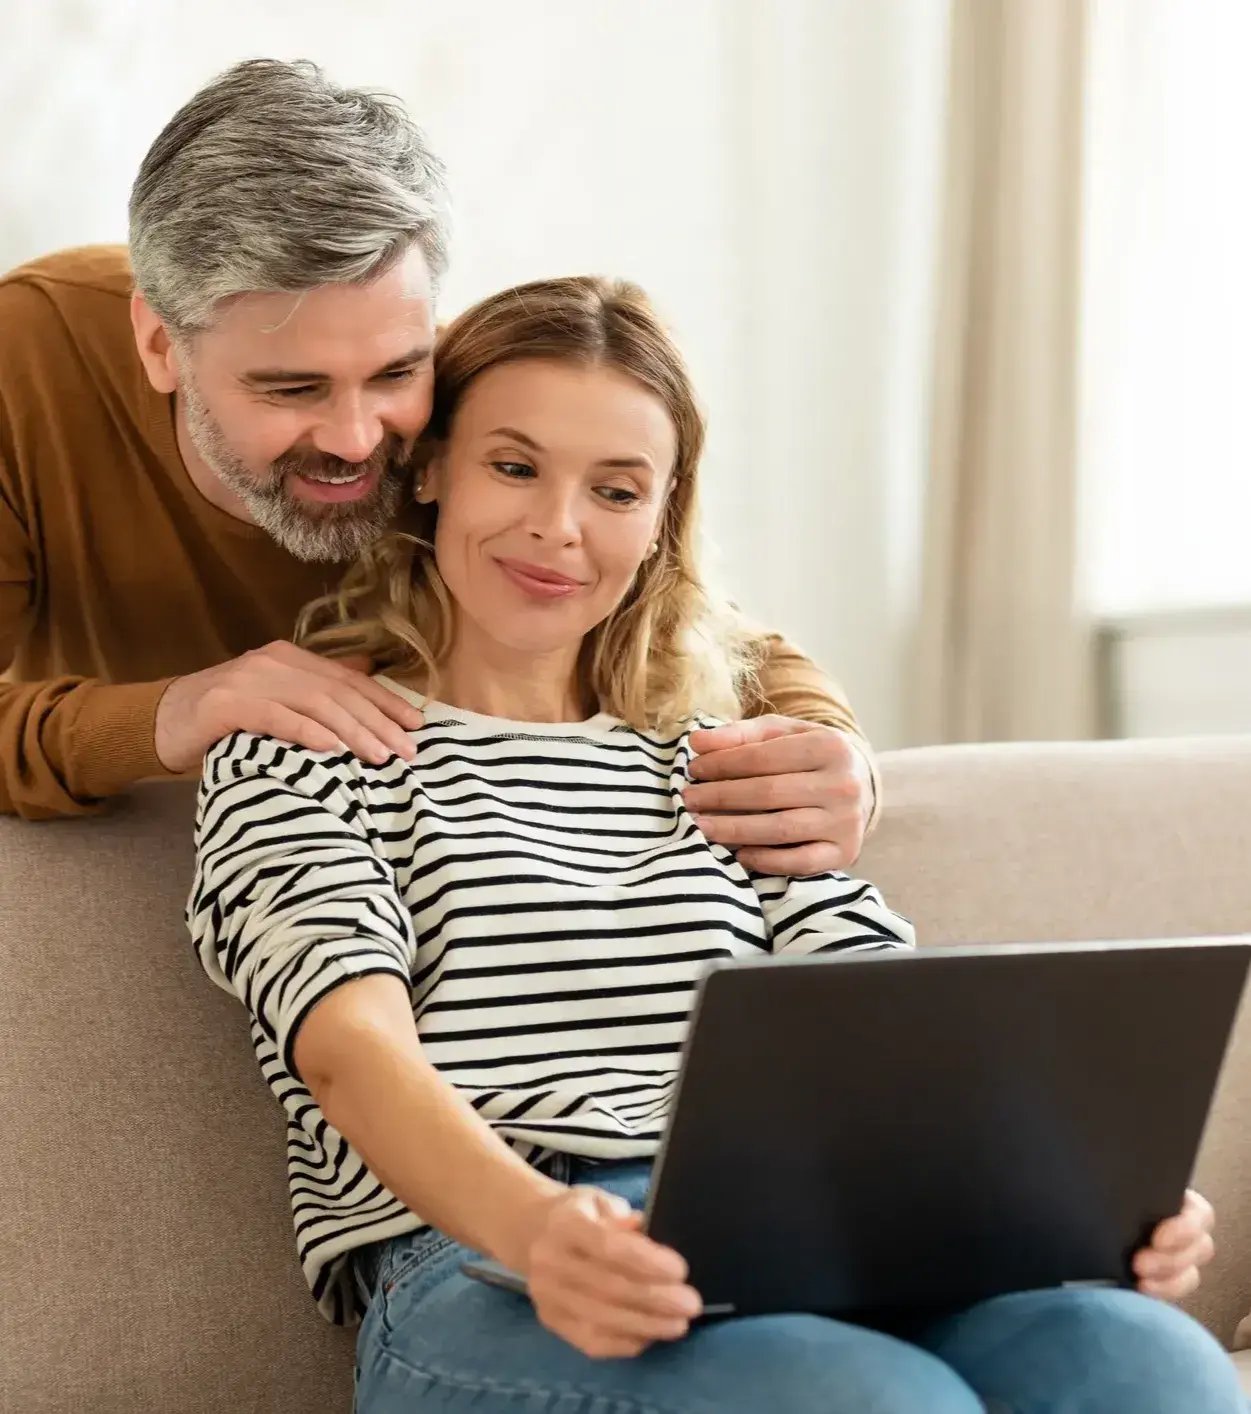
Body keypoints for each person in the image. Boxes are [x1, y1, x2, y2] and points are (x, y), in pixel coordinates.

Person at [188, 276, 1235, 1413]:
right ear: (430, 468)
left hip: (815, 1233)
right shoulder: (304, 745)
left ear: (660, 517)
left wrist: (1074, 1200)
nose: (558, 526)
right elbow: (349, 1052)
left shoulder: (725, 759)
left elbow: (887, 1027)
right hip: (485, 1264)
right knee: (873, 1400)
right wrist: (542, 1230)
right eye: (514, 465)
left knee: (1142, 1359)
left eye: (617, 489)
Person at [0, 59, 873, 879]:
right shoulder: (29, 361)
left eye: (393, 374)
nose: (355, 439)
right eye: (293, 387)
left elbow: (676, 610)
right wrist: (171, 714)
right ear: (160, 344)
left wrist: (837, 753)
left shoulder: (459, 404)